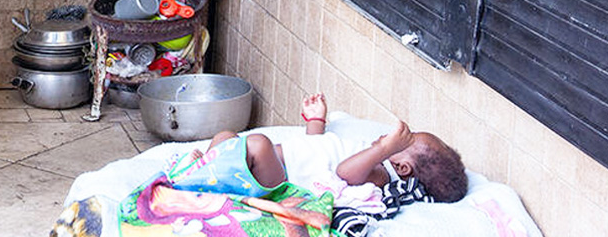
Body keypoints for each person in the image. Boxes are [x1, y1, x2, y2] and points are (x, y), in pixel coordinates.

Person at [173, 92, 468, 204]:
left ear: (402, 167)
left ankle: (205, 177)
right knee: (227, 136)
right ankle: (205, 173)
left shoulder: (380, 173)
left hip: (278, 179)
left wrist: (383, 150)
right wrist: (317, 121)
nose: (391, 137)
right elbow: (319, 147)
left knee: (258, 145)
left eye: (405, 142)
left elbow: (344, 172)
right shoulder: (368, 149)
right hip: (261, 163)